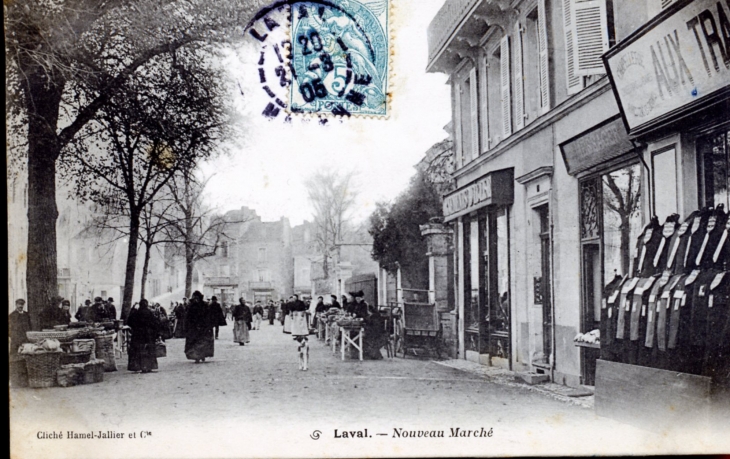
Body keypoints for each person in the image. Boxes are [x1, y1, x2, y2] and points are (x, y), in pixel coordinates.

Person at [127, 299, 161, 373]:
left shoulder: (136, 313)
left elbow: (129, 322)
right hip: (148, 335)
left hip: (137, 335)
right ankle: (148, 366)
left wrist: (132, 309)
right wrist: (155, 333)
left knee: (137, 350)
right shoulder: (149, 313)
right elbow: (156, 323)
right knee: (148, 350)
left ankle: (137, 366)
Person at [184, 291, 214, 363]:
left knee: (202, 342)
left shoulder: (203, 305)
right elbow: (188, 317)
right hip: (194, 327)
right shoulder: (191, 306)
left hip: (202, 327)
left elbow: (208, 316)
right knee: (196, 342)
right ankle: (197, 356)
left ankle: (201, 355)